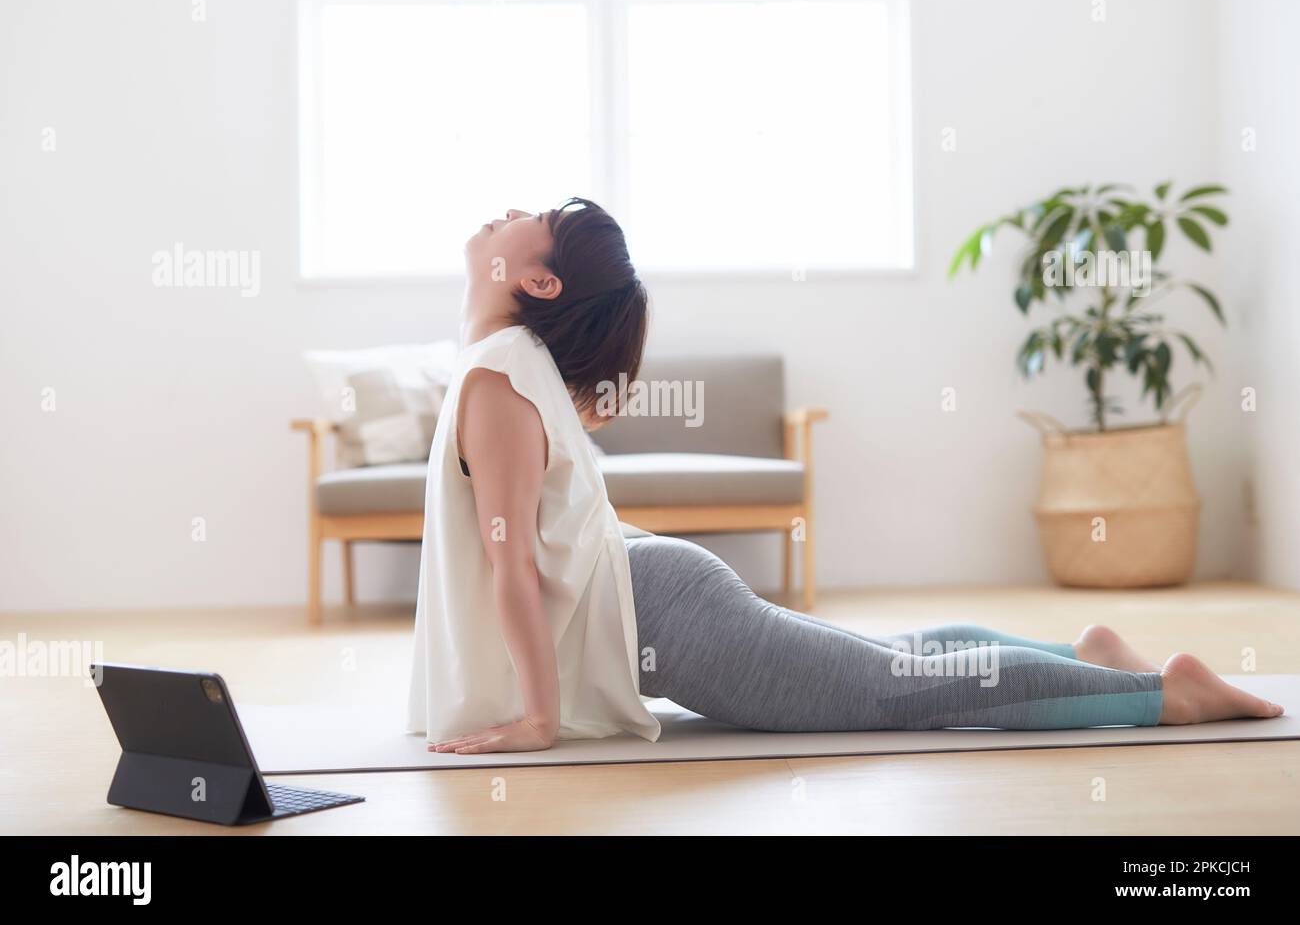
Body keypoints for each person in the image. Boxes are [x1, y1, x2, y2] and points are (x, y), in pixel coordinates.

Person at [406, 198, 1283, 755]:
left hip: (667, 617)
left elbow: (513, 561)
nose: (509, 208)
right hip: (663, 600)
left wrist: (538, 721)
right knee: (892, 663)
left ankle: (1159, 693)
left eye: (533, 218)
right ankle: (1083, 657)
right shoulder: (506, 364)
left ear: (540, 279)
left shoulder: (497, 373)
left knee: (895, 689)